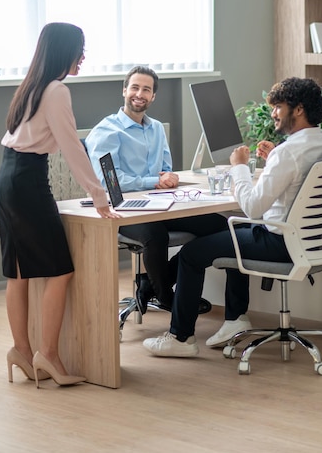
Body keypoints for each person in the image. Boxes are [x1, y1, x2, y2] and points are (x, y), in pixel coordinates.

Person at [142, 77, 322, 357]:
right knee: (230, 234)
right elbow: (298, 177)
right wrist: (274, 160)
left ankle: (180, 338)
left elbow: (252, 207)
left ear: (298, 110)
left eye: (278, 107)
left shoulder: (289, 153)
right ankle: (236, 318)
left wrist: (239, 168)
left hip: (279, 241)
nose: (273, 113)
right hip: (312, 240)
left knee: (191, 253)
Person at [0, 22, 120, 387]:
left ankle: (21, 349)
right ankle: (47, 355)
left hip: (8, 177)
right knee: (60, 270)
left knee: (17, 273)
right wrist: (100, 197)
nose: (83, 57)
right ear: (64, 51)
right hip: (28, 182)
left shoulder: (32, 85)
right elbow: (72, 147)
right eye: (80, 50)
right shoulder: (56, 91)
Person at [85, 65, 228, 312]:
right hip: (123, 209)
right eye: (135, 87)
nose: (139, 94)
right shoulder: (107, 131)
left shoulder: (156, 128)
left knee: (217, 226)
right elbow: (110, 184)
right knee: (155, 235)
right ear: (124, 91)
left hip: (160, 205)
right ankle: (165, 295)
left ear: (153, 96)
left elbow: (164, 170)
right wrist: (154, 181)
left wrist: (170, 178)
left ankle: (149, 285)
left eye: (146, 89)